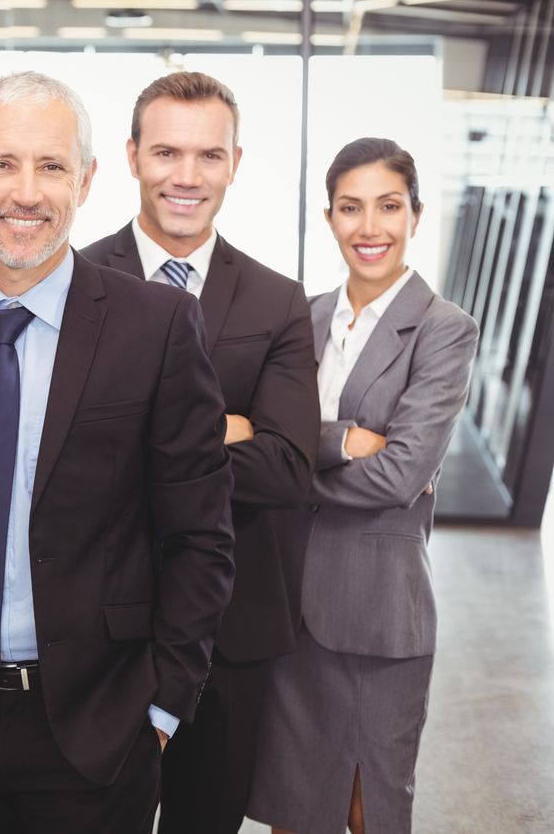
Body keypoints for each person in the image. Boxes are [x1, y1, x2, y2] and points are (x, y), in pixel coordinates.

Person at [0, 70, 235, 833]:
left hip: (101, 721)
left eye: (51, 166)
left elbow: (199, 534)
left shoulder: (156, 325)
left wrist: (162, 706)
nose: (25, 192)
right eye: (2, 164)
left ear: (88, 180)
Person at [79, 71, 320, 834]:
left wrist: (142, 440)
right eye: (167, 153)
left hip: (231, 630)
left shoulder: (277, 300)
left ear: (236, 162)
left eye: (208, 156)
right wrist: (224, 427)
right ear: (131, 156)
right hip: (98, 628)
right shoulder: (72, 280)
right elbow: (59, 460)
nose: (187, 177)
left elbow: (286, 466)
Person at [247, 137, 479, 834]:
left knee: (367, 808)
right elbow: (268, 435)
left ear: (415, 214)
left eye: (387, 207)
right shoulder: (303, 316)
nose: (369, 228)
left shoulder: (443, 331)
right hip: (287, 609)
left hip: (376, 615)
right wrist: (340, 440)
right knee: (292, 807)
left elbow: (402, 473)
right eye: (351, 208)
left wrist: (287, 466)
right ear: (329, 217)